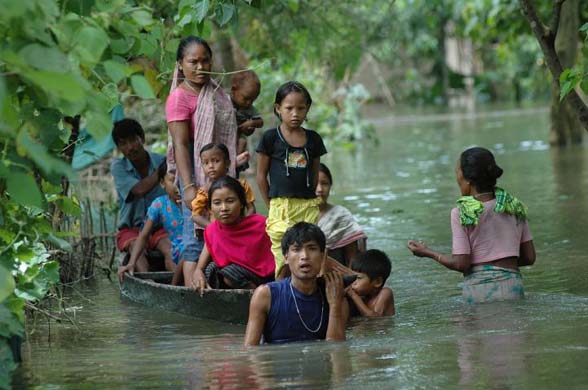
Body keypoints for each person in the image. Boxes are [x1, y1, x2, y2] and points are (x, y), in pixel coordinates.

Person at [407, 147, 536, 304]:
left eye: (457, 174)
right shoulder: (514, 206)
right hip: (513, 287)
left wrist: (428, 252)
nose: (457, 179)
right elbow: (529, 257)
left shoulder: (462, 212)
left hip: (479, 291)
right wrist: (502, 265)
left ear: (468, 179)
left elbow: (462, 263)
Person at [166, 36, 237, 286]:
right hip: (196, 177)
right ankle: (191, 295)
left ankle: (215, 285)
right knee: (195, 240)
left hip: (221, 178)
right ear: (180, 65)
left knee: (224, 233)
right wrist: (188, 187)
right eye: (193, 62)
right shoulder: (179, 98)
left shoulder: (216, 93)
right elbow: (181, 144)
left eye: (205, 60)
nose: (200, 67)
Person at [256, 81, 327, 278]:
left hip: (306, 205)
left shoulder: (313, 139)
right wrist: (271, 204)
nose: (295, 114)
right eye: (289, 108)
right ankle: (281, 295)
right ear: (278, 109)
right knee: (283, 255)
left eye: (300, 108)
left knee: (308, 253)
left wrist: (310, 197)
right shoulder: (270, 138)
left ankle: (309, 294)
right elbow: (261, 176)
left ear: (307, 109)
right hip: (281, 207)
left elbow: (314, 173)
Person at [244, 222, 349, 345]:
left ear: (322, 256)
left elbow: (336, 350)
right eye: (297, 249)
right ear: (286, 257)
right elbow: (250, 351)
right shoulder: (265, 295)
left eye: (312, 248)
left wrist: (335, 306)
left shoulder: (337, 297)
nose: (304, 256)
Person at [192, 176, 275, 295]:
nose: (224, 208)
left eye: (230, 201)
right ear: (210, 208)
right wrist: (198, 274)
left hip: (263, 278)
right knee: (211, 269)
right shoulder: (212, 230)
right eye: (217, 203)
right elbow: (200, 267)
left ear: (241, 204)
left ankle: (262, 297)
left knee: (230, 274)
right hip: (235, 276)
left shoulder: (261, 224)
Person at [110, 118, 172, 271]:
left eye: (133, 140)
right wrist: (161, 172)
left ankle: (176, 285)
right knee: (135, 248)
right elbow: (138, 190)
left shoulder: (161, 161)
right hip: (131, 229)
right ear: (119, 148)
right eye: (123, 144)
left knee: (171, 249)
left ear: (142, 139)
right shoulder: (119, 167)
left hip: (160, 227)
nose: (130, 147)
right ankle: (148, 283)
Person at [117, 172, 184, 285]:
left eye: (182, 181)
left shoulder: (196, 201)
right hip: (179, 251)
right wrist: (131, 263)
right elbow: (143, 236)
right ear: (162, 183)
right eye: (173, 181)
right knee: (176, 255)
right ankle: (174, 286)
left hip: (195, 250)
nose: (178, 186)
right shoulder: (160, 204)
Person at [191, 143, 255, 229]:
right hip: (218, 236)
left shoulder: (240, 185)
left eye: (216, 161)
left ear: (227, 163)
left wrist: (243, 226)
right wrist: (214, 229)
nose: (210, 166)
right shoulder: (205, 191)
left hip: (240, 231)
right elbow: (195, 215)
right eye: (206, 163)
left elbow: (251, 208)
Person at [316, 163, 367, 266]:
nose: (320, 189)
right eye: (314, 184)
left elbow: (352, 260)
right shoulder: (295, 216)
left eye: (324, 183)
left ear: (330, 186)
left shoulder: (341, 216)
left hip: (337, 276)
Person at [230, 70, 264, 176]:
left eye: (252, 100)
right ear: (234, 90)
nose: (249, 102)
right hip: (226, 136)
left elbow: (261, 121)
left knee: (242, 142)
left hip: (240, 135)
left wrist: (251, 123)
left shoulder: (249, 109)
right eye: (246, 98)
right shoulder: (226, 101)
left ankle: (235, 162)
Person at [345, 249, 395, 317]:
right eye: (353, 278)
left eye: (358, 278)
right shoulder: (363, 295)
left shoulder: (385, 293)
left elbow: (375, 318)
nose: (353, 283)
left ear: (377, 282)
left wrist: (354, 296)